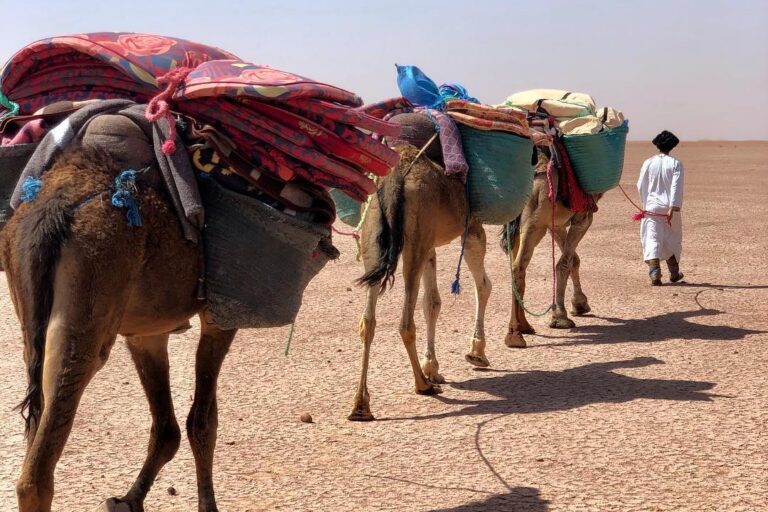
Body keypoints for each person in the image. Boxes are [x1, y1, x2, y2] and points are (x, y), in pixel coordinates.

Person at [637, 130, 684, 286]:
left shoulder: (648, 162)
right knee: (671, 239)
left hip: (651, 208)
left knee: (652, 239)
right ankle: (674, 273)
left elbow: (640, 184)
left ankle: (655, 272)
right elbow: (676, 185)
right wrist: (673, 206)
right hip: (670, 209)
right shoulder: (676, 163)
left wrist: (645, 203)